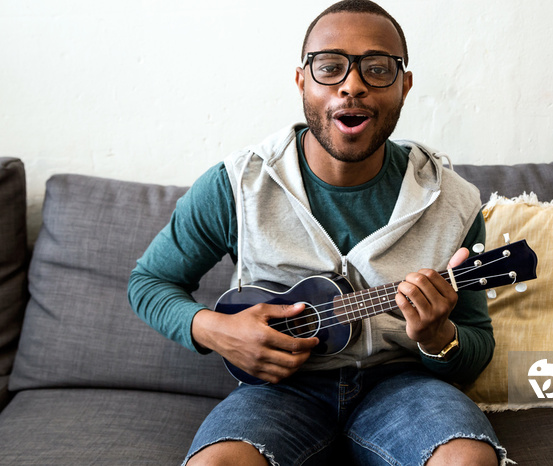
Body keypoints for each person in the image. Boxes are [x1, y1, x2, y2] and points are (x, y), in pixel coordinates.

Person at [128, 1, 507, 464]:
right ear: (301, 80)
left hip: (404, 388)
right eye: (330, 67)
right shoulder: (236, 185)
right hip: (279, 393)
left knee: (468, 460)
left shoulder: (453, 199)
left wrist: (437, 335)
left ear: (405, 86)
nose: (352, 85)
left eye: (378, 69)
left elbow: (475, 344)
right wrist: (215, 329)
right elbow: (148, 283)